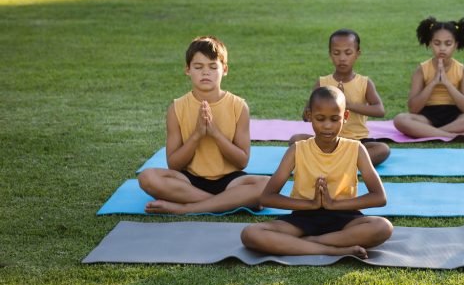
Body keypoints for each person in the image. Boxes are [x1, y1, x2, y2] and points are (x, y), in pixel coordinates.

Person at [241, 86, 393, 257]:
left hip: (345, 217)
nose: (327, 126)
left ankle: (306, 243)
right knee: (250, 233)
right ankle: (332, 249)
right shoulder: (297, 150)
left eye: (335, 119)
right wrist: (311, 204)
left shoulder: (356, 149)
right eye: (320, 119)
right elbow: (267, 197)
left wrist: (334, 205)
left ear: (346, 117)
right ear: (309, 116)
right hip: (303, 217)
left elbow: (379, 197)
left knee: (383, 227)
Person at [139, 36, 269, 214]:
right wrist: (197, 134)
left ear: (224, 69)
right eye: (198, 67)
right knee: (147, 177)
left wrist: (215, 133)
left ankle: (185, 208)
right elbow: (174, 165)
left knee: (268, 185)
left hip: (230, 180)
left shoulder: (239, 106)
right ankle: (230, 203)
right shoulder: (176, 108)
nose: (205, 72)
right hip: (189, 181)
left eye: (213, 67)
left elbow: (242, 161)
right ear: (188, 70)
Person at [288, 29, 390, 166]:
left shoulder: (365, 83)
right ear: (330, 55)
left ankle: (333, 161)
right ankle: (345, 162)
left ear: (357, 54)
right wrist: (311, 112)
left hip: (357, 141)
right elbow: (306, 114)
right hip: (326, 139)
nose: (342, 58)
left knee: (382, 149)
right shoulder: (322, 82)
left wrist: (347, 105)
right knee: (296, 139)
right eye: (336, 53)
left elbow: (380, 110)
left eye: (348, 53)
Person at [392, 17, 464, 139]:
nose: (442, 48)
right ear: (430, 43)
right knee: (400, 119)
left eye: (448, 44)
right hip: (426, 117)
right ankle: (451, 135)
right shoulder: (420, 71)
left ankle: (429, 132)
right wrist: (433, 82)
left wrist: (447, 83)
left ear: (455, 45)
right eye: (437, 43)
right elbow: (413, 109)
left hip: (455, 118)